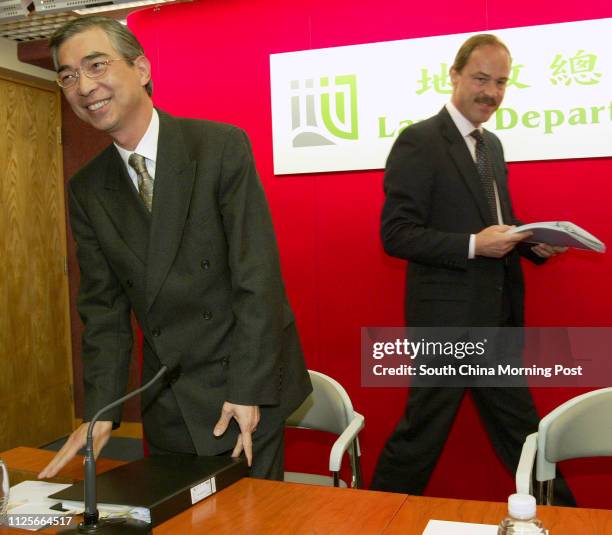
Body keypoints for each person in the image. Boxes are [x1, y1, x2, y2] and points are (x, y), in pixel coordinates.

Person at [38, 16, 311, 481]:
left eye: (96, 65)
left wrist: (247, 390)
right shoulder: (87, 188)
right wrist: (102, 411)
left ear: (141, 68)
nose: (83, 86)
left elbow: (256, 278)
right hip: (170, 398)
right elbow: (103, 312)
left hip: (243, 390)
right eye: (67, 76)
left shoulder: (219, 147)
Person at [371, 34, 574, 504]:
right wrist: (471, 245)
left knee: (524, 435)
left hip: (497, 320)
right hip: (448, 325)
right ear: (455, 75)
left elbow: (496, 224)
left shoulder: (493, 145)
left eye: (501, 82)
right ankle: (374, 516)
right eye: (481, 78)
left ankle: (565, 519)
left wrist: (531, 242)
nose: (492, 92)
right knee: (421, 435)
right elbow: (396, 234)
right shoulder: (419, 141)